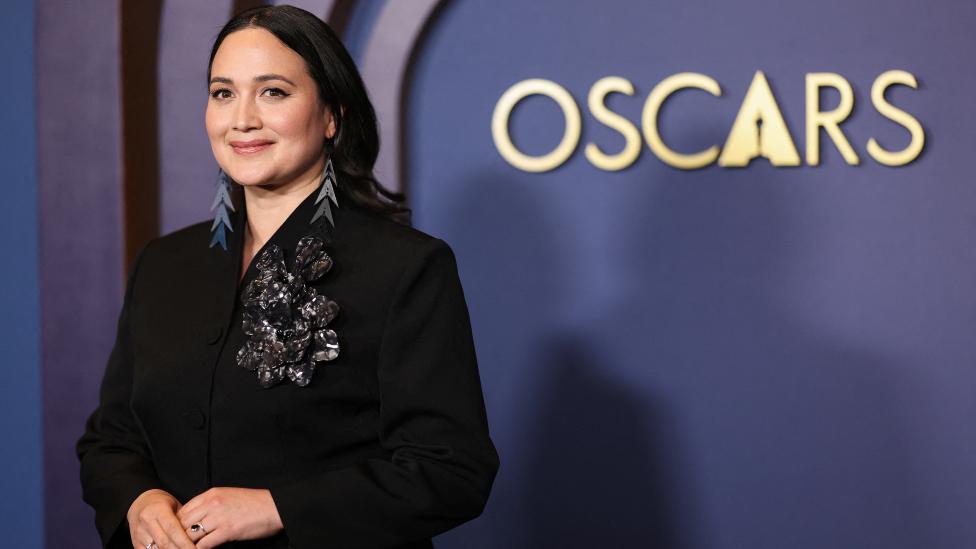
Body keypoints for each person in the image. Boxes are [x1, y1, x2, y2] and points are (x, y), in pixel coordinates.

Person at [75, 5, 499, 549]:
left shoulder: (405, 267)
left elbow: (452, 470)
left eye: (273, 91)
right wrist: (139, 500)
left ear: (331, 116)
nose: (242, 119)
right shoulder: (164, 263)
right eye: (223, 93)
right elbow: (110, 439)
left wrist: (277, 508)